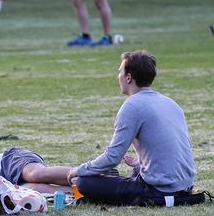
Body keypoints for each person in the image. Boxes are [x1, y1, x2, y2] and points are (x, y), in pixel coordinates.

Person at [67, 51, 197, 205]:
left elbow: (112, 158)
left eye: (119, 72)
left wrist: (78, 170)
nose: (118, 77)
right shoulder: (170, 103)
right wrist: (139, 162)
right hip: (186, 186)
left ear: (128, 77)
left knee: (83, 182)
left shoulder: (132, 106)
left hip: (158, 190)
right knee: (135, 170)